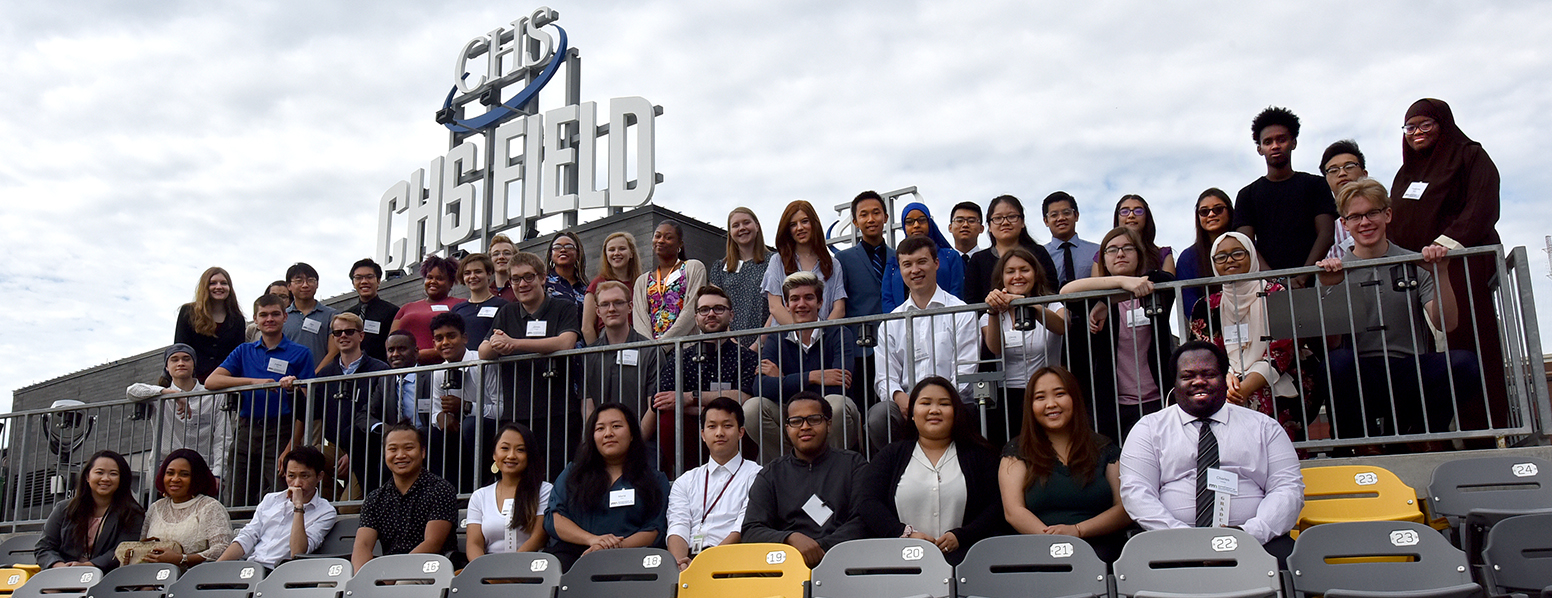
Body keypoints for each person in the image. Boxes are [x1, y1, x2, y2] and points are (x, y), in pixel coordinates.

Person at [1316, 179, 1476, 441]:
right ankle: (1361, 442)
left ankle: (1429, 437)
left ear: (1387, 214)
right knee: (1335, 364)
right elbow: (1332, 342)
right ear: (1344, 224)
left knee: (1464, 363)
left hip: (1408, 370)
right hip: (1361, 373)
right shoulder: (1331, 272)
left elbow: (1447, 324)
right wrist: (1329, 290)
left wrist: (1441, 273)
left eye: (1372, 213)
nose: (1365, 222)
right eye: (1355, 217)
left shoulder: (1414, 262)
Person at [1119, 341, 1303, 561]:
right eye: (1188, 376)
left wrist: (1249, 534)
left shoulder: (1265, 427)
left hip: (1254, 540)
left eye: (1209, 374)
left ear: (1225, 379)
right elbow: (1137, 493)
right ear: (1174, 383)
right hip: (1171, 542)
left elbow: (1288, 489)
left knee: (1290, 561)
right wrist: (1182, 538)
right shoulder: (1147, 430)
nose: (1199, 381)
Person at [1388, 98, 1504, 435]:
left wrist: (1447, 244)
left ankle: (1481, 432)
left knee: (1466, 342)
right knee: (1421, 354)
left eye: (1426, 124)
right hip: (1416, 275)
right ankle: (1429, 434)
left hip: (1460, 265)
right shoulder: (1406, 172)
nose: (1417, 132)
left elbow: (1483, 205)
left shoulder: (1470, 156)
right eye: (1411, 127)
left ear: (1445, 124)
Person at [857, 377, 1004, 565]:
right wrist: (903, 533)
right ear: (912, 413)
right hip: (901, 564)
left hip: (967, 564)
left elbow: (996, 507)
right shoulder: (891, 455)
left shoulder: (980, 457)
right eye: (925, 403)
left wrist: (962, 536)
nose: (934, 410)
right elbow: (868, 502)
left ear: (956, 412)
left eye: (944, 404)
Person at [1000, 367, 1131, 563]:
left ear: (1075, 398)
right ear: (1030, 406)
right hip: (1040, 552)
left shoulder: (1105, 449)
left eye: (1060, 394)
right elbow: (1013, 512)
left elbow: (1125, 508)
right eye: (1040, 397)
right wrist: (1057, 544)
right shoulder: (1017, 451)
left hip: (1102, 553)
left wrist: (1078, 531)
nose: (1051, 404)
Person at [1060, 227, 1177, 442]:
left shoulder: (1155, 289)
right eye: (1112, 250)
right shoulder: (1097, 299)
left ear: (1139, 254)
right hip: (1115, 405)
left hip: (1159, 398)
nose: (1120, 254)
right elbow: (1066, 291)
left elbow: (1164, 277)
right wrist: (1116, 288)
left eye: (1127, 248)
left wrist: (1118, 294)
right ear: (1103, 260)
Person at [1188, 233, 1311, 438]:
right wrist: (1228, 380)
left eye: (1237, 253)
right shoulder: (1206, 306)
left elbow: (1283, 350)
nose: (1229, 260)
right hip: (1225, 384)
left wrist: (1244, 388)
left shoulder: (1277, 294)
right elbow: (1203, 354)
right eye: (1221, 257)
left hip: (1274, 379)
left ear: (1252, 255)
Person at [869, 236, 979, 453]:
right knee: (879, 416)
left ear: (936, 264)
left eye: (922, 262)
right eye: (907, 265)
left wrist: (935, 405)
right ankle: (896, 468)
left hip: (953, 404)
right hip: (906, 407)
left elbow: (965, 371)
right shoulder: (891, 320)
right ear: (900, 270)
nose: (915, 270)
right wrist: (903, 400)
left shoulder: (961, 311)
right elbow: (885, 377)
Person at [481, 251, 582, 480]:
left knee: (558, 477)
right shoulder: (506, 312)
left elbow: (565, 343)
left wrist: (513, 343)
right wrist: (497, 343)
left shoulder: (564, 307)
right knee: (520, 480)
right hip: (518, 412)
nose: (522, 284)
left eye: (528, 277)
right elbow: (483, 351)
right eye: (515, 279)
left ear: (543, 278)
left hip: (559, 411)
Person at [207, 293, 312, 507]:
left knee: (279, 495)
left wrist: (291, 446)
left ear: (285, 317)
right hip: (246, 429)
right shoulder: (243, 351)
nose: (269, 319)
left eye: (275, 314)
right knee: (238, 495)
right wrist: (254, 382)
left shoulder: (301, 353)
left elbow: (306, 406)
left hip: (281, 430)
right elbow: (211, 381)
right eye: (263, 315)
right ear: (255, 320)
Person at [740, 393, 869, 567]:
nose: (805, 427)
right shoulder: (771, 474)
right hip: (787, 566)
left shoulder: (854, 465)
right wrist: (790, 538)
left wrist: (820, 547)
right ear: (787, 428)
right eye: (796, 421)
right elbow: (751, 530)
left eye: (814, 419)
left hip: (845, 562)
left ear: (829, 424)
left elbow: (864, 520)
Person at [749, 272, 864, 458]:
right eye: (794, 299)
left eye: (809, 297)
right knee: (753, 408)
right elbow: (759, 387)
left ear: (820, 303)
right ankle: (792, 465)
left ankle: (834, 465)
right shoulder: (775, 339)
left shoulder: (839, 334)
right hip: (792, 418)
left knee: (836, 404)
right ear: (787, 305)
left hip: (828, 416)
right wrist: (814, 377)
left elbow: (839, 384)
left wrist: (783, 380)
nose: (801, 304)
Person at [544, 403, 672, 571]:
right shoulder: (573, 474)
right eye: (600, 429)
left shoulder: (654, 479)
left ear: (632, 434)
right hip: (576, 554)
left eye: (616, 426)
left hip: (631, 558)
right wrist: (592, 540)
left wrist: (611, 547)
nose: (608, 434)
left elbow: (655, 528)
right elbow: (554, 518)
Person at [649, 286, 760, 472]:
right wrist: (709, 405)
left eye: (718, 308)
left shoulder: (747, 357)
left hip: (735, 433)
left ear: (731, 315)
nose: (711, 314)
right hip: (692, 437)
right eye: (704, 310)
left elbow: (746, 398)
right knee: (668, 418)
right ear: (696, 318)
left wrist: (688, 398)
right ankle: (688, 477)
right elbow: (662, 400)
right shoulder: (680, 358)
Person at [1232, 106, 1338, 278]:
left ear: (1293, 142)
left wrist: (1304, 276)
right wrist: (1275, 281)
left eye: (1281, 140)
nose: (1275, 146)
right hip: (1267, 288)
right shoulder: (1247, 195)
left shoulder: (1316, 185)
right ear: (1259, 149)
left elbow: (1326, 235)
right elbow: (1246, 244)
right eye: (1268, 142)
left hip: (1315, 282)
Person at [980, 247, 1067, 447]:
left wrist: (1029, 304)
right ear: (1002, 277)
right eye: (1010, 271)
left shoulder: (1053, 304)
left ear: (1035, 273)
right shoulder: (989, 315)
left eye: (1024, 270)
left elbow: (1062, 327)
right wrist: (994, 313)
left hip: (1047, 393)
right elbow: (995, 348)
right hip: (1009, 397)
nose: (1017, 276)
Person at [665, 397, 762, 570]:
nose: (719, 433)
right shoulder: (685, 481)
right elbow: (678, 526)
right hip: (687, 562)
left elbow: (743, 527)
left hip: (733, 561)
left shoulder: (757, 475)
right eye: (712, 426)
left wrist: (705, 565)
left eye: (727, 425)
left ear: (741, 432)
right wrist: (681, 565)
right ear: (703, 434)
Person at [352, 423, 458, 572]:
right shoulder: (375, 498)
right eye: (393, 449)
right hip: (386, 573)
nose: (400, 455)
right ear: (385, 454)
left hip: (430, 569)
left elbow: (433, 543)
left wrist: (392, 576)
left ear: (422, 452)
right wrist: (361, 579)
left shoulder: (441, 490)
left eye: (408, 448)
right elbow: (362, 546)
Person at [310, 313, 394, 494]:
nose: (343, 336)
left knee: (349, 508)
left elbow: (383, 413)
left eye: (349, 331)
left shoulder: (380, 370)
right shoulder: (325, 374)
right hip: (336, 448)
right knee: (310, 456)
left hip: (367, 450)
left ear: (361, 336)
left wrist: (353, 453)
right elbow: (313, 411)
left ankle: (343, 504)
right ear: (333, 338)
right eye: (338, 333)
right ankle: (331, 501)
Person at [218, 446, 338, 568]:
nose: (297, 483)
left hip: (282, 572)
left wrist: (298, 507)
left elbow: (298, 552)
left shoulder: (326, 512)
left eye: (304, 476)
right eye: (291, 476)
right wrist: (217, 567)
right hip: (252, 567)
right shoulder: (271, 499)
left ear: (319, 476)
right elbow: (248, 537)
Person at [125, 344, 233, 479]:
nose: (181, 363)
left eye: (186, 359)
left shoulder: (214, 396)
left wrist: (218, 474)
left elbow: (222, 438)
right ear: (166, 367)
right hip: (166, 471)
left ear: (194, 364)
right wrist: (172, 394)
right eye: (174, 359)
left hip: (203, 469)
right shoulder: (158, 396)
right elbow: (131, 391)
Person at [833, 191, 892, 410]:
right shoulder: (843, 259)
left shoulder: (900, 257)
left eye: (876, 213)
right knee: (861, 406)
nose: (871, 219)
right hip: (859, 349)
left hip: (893, 345)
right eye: (864, 215)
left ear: (885, 217)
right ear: (855, 222)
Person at [428, 312, 502, 488]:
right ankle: (448, 490)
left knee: (471, 425)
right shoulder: (439, 372)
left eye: (451, 336)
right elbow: (435, 412)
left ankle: (485, 486)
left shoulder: (483, 362)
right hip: (459, 432)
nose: (445, 342)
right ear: (433, 343)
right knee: (429, 433)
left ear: (465, 338)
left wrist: (467, 407)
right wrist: (440, 418)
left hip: (490, 430)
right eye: (439, 338)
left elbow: (501, 409)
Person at [36, 450, 144, 571]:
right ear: (87, 476)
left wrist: (88, 566)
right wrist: (59, 566)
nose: (105, 478)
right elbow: (44, 547)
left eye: (113, 474)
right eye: (99, 472)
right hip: (63, 573)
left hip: (105, 577)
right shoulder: (63, 509)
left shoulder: (132, 513)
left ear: (121, 479)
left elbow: (124, 550)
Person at [466, 423, 553, 559]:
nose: (511, 455)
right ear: (495, 454)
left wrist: (509, 568)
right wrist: (483, 572)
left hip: (528, 566)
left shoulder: (544, 490)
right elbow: (474, 544)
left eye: (520, 450)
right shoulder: (480, 496)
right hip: (487, 571)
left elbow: (538, 538)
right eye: (505, 448)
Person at [138, 449, 232, 570]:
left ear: (196, 477)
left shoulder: (210, 507)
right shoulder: (155, 508)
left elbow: (222, 549)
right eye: (170, 473)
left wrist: (182, 559)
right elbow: (141, 545)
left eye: (184, 474)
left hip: (193, 578)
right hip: (151, 576)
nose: (175, 479)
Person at [581, 281, 662, 419]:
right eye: (605, 304)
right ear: (597, 311)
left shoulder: (650, 351)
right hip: (603, 438)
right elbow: (587, 407)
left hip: (642, 438)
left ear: (630, 307)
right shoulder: (589, 355)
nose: (611, 309)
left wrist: (636, 439)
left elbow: (653, 407)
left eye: (618, 302)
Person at [966, 195, 1061, 304]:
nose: (1005, 222)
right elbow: (971, 300)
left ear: (1022, 222)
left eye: (1011, 217)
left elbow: (1051, 289)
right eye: (998, 218)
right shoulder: (978, 260)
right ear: (990, 227)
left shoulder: (1039, 253)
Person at [765, 200, 849, 324]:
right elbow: (775, 307)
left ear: (814, 223)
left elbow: (839, 309)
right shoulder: (777, 261)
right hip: (785, 341)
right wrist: (799, 336)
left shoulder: (833, 264)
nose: (800, 228)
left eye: (804, 221)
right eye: (793, 224)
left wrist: (818, 336)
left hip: (823, 341)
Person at [882, 201, 964, 311]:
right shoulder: (894, 262)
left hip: (947, 320)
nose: (916, 225)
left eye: (921, 220)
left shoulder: (950, 256)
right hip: (903, 323)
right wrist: (898, 321)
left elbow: (957, 289)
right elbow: (887, 299)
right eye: (909, 222)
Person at [634, 220, 708, 339]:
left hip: (685, 347)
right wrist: (651, 349)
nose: (661, 240)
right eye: (657, 236)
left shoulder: (693, 268)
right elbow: (640, 319)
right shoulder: (642, 281)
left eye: (668, 238)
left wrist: (664, 345)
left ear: (680, 244)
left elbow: (692, 309)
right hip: (653, 353)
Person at [709, 208, 773, 345]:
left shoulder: (774, 261)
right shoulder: (719, 268)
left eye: (746, 223)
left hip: (767, 342)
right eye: (736, 225)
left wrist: (758, 344)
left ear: (757, 226)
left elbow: (779, 305)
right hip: (729, 345)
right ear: (730, 232)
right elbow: (715, 306)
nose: (742, 228)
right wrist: (731, 341)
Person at [174, 266, 246, 382]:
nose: (219, 287)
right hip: (193, 382)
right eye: (212, 283)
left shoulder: (237, 319)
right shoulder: (188, 312)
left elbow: (238, 355)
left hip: (224, 382)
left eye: (224, 283)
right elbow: (180, 347)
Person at [391, 256, 466, 365]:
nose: (433, 281)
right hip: (407, 370)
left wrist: (419, 355)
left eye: (439, 278)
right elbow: (391, 340)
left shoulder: (461, 304)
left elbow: (463, 340)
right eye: (429, 277)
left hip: (441, 368)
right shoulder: (406, 308)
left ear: (451, 283)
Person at [1176, 189, 1235, 313]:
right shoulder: (1188, 257)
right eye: (1204, 212)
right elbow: (1188, 303)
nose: (1211, 214)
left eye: (1218, 209)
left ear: (1229, 211)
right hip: (1209, 326)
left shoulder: (1249, 247)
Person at [1092, 195, 1175, 277]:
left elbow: (1169, 287)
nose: (1131, 215)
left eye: (1138, 211)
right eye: (1124, 211)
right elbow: (1095, 286)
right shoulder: (1102, 255)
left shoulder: (1162, 254)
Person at [582, 232, 642, 344]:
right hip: (607, 341)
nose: (616, 253)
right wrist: (597, 355)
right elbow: (587, 328)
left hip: (637, 339)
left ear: (631, 253)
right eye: (611, 250)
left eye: (622, 249)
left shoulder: (640, 283)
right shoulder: (597, 284)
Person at [281, 263, 337, 373]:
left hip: (321, 382)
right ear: (289, 286)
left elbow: (334, 352)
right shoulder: (281, 317)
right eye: (299, 281)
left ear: (317, 284)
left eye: (311, 280)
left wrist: (312, 376)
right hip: (286, 382)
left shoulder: (331, 315)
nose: (305, 285)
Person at [1319, 140, 1369, 261]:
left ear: (1364, 173)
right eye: (1333, 170)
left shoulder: (1383, 211)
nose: (1342, 173)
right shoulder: (1323, 224)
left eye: (1349, 166)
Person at [343, 258, 400, 362]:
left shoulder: (393, 312)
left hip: (380, 372)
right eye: (358, 278)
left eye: (369, 277)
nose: (364, 282)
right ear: (353, 283)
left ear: (378, 281)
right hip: (350, 372)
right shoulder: (347, 315)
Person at [451, 253, 509, 350]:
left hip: (493, 362)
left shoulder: (503, 306)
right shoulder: (457, 309)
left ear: (489, 274)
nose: (472, 276)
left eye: (478, 271)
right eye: (467, 273)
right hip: (463, 364)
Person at [1041, 192, 1099, 289]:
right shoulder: (1038, 256)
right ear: (1046, 221)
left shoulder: (1097, 251)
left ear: (1076, 216)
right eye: (1054, 215)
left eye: (1066, 213)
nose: (1061, 218)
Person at [385, 331, 424, 428]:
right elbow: (367, 413)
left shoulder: (430, 377)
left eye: (401, 349)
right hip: (395, 437)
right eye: (391, 350)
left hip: (426, 435)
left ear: (416, 352)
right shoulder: (385, 381)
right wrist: (382, 427)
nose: (395, 354)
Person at [545, 231, 588, 307]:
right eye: (557, 247)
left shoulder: (586, 287)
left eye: (569, 247)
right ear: (551, 254)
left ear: (578, 253)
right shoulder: (542, 283)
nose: (563, 250)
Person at [948, 201, 985, 267]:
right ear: (950, 228)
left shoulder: (990, 261)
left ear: (981, 228)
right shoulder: (941, 261)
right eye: (959, 220)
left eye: (971, 221)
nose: (965, 225)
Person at [488, 233, 519, 301]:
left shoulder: (522, 289)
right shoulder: (486, 292)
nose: (501, 257)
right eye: (496, 254)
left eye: (507, 253)